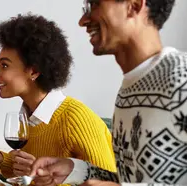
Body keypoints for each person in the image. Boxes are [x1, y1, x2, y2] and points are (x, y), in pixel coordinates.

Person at [30, 0, 186, 185]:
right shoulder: (129, 89)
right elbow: (132, 178)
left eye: (94, 5)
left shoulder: (181, 78)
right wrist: (76, 170)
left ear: (134, 6)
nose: (83, 20)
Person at [0, 13, 116, 179]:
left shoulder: (76, 120)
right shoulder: (29, 117)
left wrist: (46, 177)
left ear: (33, 71)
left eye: (4, 65)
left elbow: (105, 183)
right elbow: (29, 172)